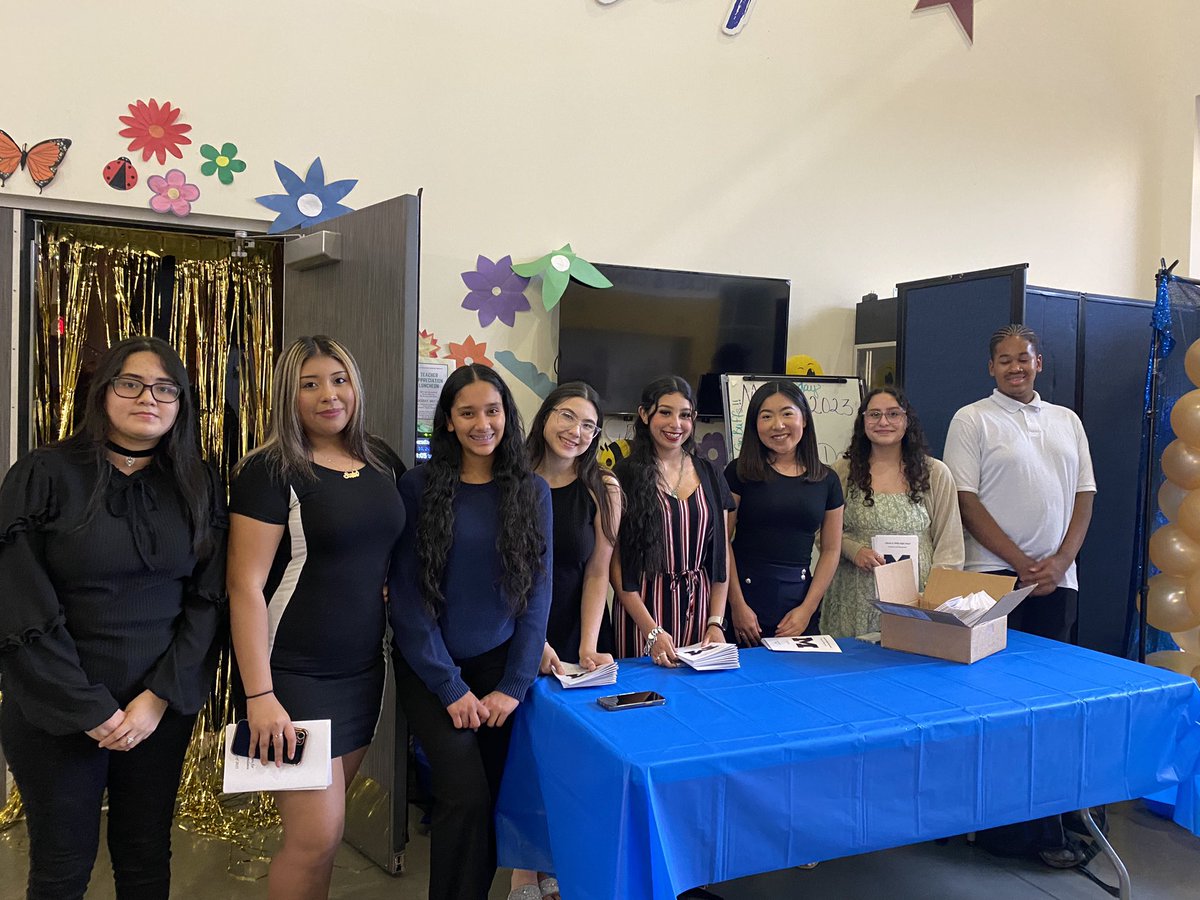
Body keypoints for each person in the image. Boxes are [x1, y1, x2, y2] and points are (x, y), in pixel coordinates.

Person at [0, 336, 226, 900]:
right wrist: (88, 707)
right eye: (131, 383)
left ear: (181, 404)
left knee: (146, 857)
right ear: (103, 394)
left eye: (165, 388)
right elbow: (18, 599)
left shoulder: (199, 482)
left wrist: (157, 699)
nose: (148, 397)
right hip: (57, 710)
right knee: (61, 867)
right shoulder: (44, 473)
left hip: (157, 710)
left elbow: (207, 600)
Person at [227, 335, 405, 900]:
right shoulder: (270, 470)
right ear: (290, 395)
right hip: (290, 676)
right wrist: (260, 696)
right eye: (310, 384)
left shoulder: (380, 460)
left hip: (361, 670)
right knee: (314, 838)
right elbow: (245, 584)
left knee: (326, 839)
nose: (329, 395)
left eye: (339, 380)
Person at [389, 363, 552, 900]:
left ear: (507, 414)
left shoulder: (532, 491)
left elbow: (535, 600)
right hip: (431, 667)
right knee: (464, 796)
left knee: (489, 801)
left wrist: (514, 684)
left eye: (493, 410)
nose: (483, 423)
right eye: (468, 413)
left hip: (499, 669)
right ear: (449, 421)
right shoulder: (417, 487)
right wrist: (450, 686)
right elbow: (410, 602)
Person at [942, 323, 1096, 868]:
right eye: (1003, 360)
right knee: (995, 706)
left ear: (1039, 362)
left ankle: (1049, 818)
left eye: (1023, 359)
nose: (1014, 367)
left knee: (1048, 706)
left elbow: (1084, 497)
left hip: (1058, 584)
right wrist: (1020, 564)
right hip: (993, 582)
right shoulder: (971, 419)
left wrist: (1058, 563)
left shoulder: (1067, 421)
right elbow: (965, 500)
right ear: (991, 367)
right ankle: (1000, 830)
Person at [509, 381, 622, 900]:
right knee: (518, 751)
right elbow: (498, 570)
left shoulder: (604, 488)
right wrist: (532, 642)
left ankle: (551, 860)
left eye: (588, 425)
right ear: (545, 415)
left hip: (572, 632)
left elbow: (597, 572)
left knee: (564, 755)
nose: (575, 431)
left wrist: (588, 645)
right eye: (566, 416)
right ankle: (521, 870)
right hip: (509, 631)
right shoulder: (509, 475)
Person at [822, 387, 964, 638]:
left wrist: (933, 599)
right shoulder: (842, 471)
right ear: (863, 421)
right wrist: (854, 551)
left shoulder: (935, 473)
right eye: (874, 414)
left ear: (907, 420)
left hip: (915, 600)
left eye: (893, 414)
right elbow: (821, 532)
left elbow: (950, 545)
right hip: (853, 598)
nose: (883, 422)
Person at [611, 376, 733, 666]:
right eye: (665, 412)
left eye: (685, 415)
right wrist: (650, 630)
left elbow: (721, 554)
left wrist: (716, 621)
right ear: (644, 414)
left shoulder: (711, 474)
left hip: (700, 609)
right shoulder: (623, 475)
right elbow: (615, 562)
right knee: (642, 700)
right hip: (641, 610)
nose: (675, 424)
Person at [725, 381, 844, 645]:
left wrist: (807, 609)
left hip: (799, 604)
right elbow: (722, 542)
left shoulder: (827, 480)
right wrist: (736, 605)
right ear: (755, 426)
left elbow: (832, 550)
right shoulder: (739, 472)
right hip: (745, 601)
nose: (777, 425)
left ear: (804, 419)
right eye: (766, 416)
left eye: (787, 413)